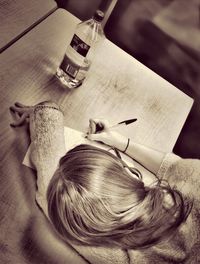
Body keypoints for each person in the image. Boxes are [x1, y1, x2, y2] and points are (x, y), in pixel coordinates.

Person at [10, 101, 200, 263]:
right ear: (128, 172)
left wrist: (44, 111)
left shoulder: (123, 259)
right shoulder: (194, 176)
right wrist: (120, 142)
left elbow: (47, 191)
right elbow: (174, 166)